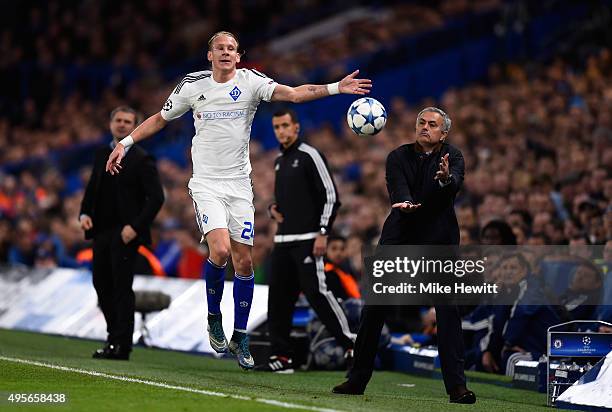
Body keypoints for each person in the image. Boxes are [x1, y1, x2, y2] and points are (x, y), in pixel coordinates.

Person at [105, 31, 371, 369]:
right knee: (219, 252)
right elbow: (159, 119)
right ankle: (214, 316)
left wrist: (335, 87)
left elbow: (294, 94)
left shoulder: (251, 82)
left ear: (239, 56)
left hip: (239, 187)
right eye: (221, 48)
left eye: (232, 49)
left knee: (244, 263)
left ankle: (240, 335)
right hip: (206, 184)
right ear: (210, 54)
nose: (227, 53)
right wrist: (124, 144)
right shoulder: (192, 85)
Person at [332, 107, 476, 404]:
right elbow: (397, 188)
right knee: (374, 308)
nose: (425, 127)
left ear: (444, 133)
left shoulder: (454, 156)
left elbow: (454, 186)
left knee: (448, 313)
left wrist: (445, 180)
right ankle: (357, 379)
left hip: (439, 238)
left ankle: (457, 387)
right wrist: (405, 202)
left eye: (432, 124)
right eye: (421, 122)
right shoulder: (398, 156)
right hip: (400, 234)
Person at [255, 109, 355, 373]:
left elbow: (331, 196)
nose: (281, 131)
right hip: (283, 239)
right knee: (278, 299)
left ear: (296, 128)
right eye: (277, 127)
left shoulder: (310, 155)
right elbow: (288, 200)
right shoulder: (279, 160)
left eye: (285, 125)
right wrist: (273, 209)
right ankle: (282, 356)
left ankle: (352, 343)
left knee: (317, 293)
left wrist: (323, 232)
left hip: (309, 239)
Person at [80, 106, 164, 360]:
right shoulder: (100, 154)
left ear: (135, 127)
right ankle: (113, 337)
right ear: (110, 123)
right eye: (118, 120)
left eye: (128, 121)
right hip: (101, 231)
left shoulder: (141, 158)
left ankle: (121, 344)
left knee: (121, 288)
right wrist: (84, 214)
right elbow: (93, 187)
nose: (122, 125)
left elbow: (156, 198)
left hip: (125, 234)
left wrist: (135, 227)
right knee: (101, 284)